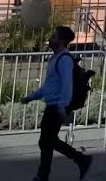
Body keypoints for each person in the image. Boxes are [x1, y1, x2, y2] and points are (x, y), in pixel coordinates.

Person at [22, 26, 91, 181]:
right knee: (47, 141)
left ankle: (78, 160)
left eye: (54, 36)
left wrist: (62, 106)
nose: (50, 39)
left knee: (48, 140)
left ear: (61, 41)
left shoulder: (64, 60)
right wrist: (31, 97)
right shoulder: (55, 59)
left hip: (57, 106)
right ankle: (47, 172)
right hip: (52, 105)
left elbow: (67, 85)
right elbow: (49, 86)